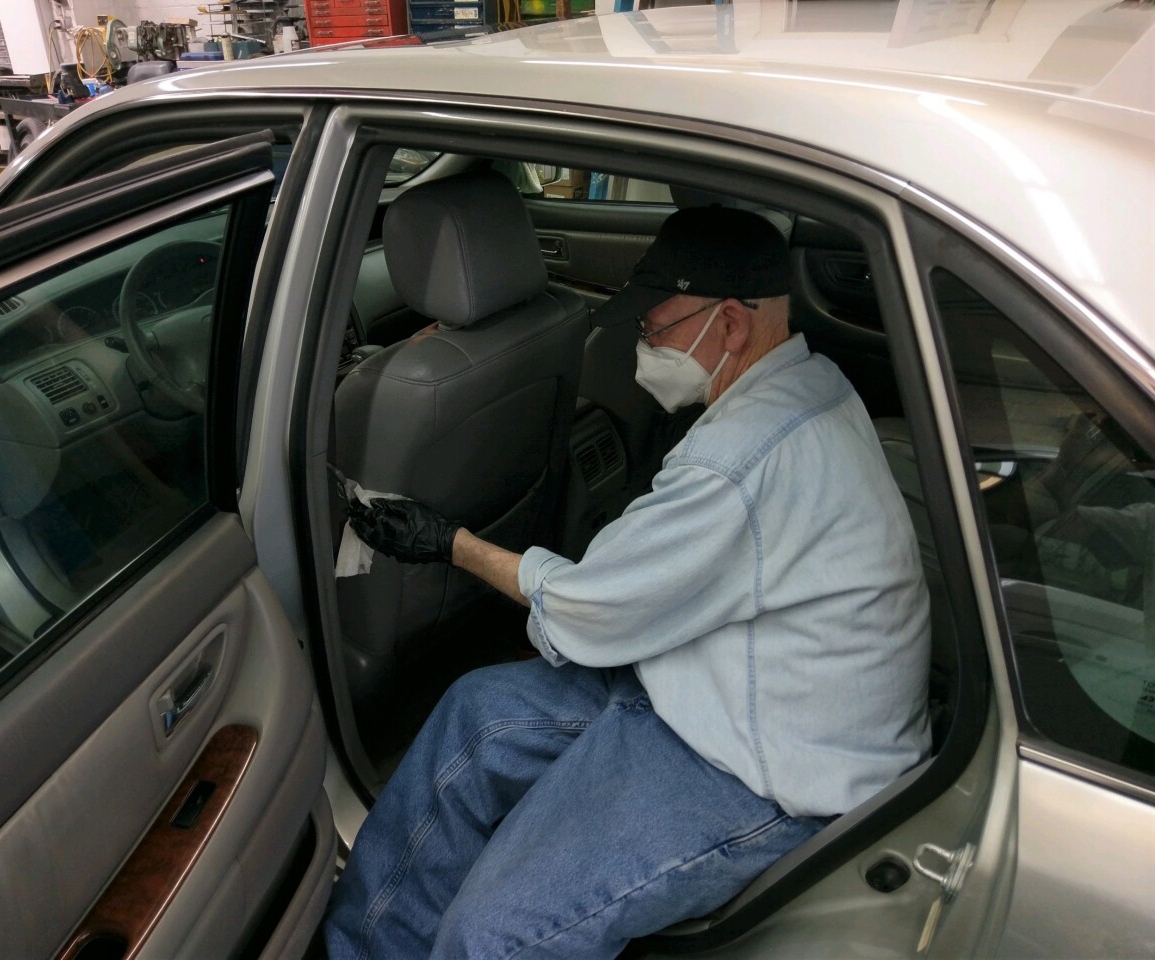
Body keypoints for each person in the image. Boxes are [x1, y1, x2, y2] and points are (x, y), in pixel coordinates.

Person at [323, 206, 931, 960]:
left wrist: (452, 544)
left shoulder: (736, 460)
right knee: (473, 716)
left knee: (494, 937)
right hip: (724, 684)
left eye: (657, 324)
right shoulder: (812, 382)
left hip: (767, 766)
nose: (642, 342)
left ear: (732, 326)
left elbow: (592, 611)